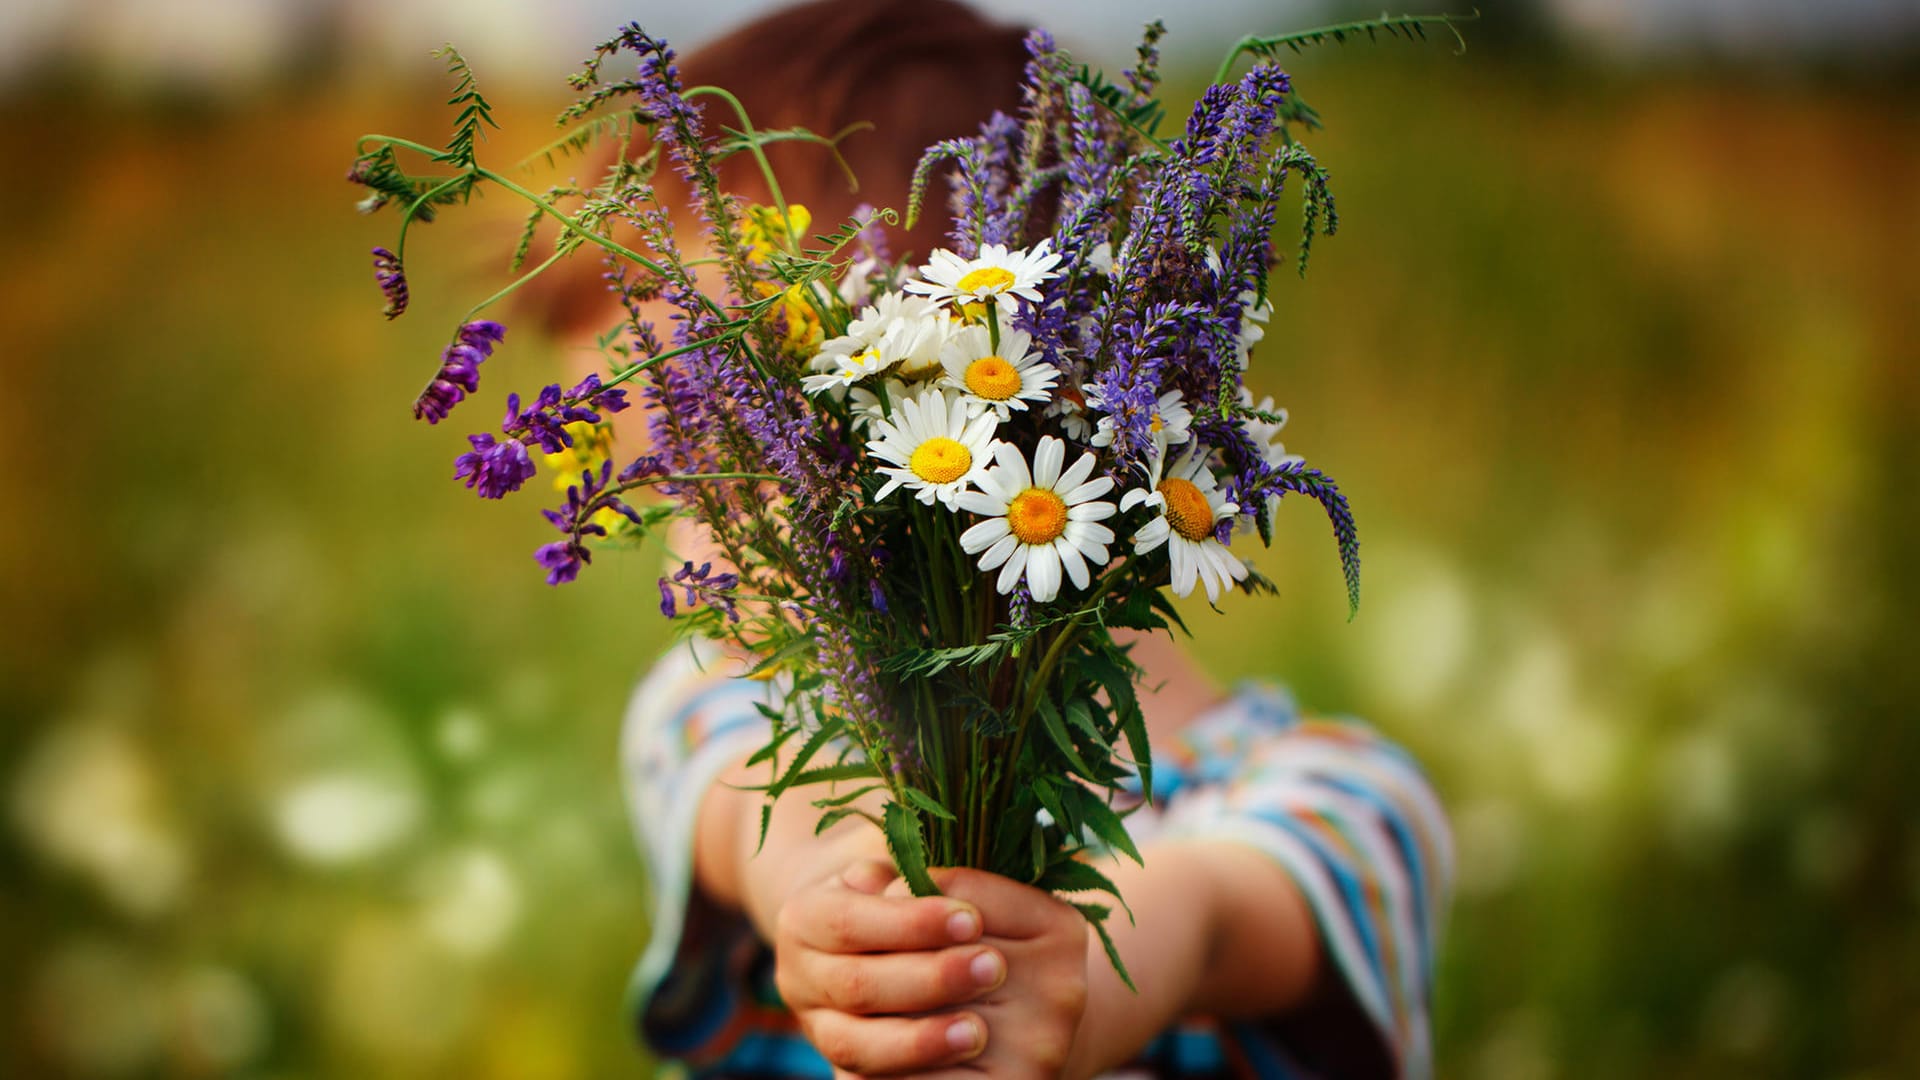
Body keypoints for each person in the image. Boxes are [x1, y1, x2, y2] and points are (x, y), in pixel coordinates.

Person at [539, 2, 1453, 1075]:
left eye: (734, 483)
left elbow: (1219, 910)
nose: (700, 558)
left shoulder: (1339, 805)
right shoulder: (717, 712)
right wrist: (837, 902)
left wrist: (1099, 969)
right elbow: (763, 820)